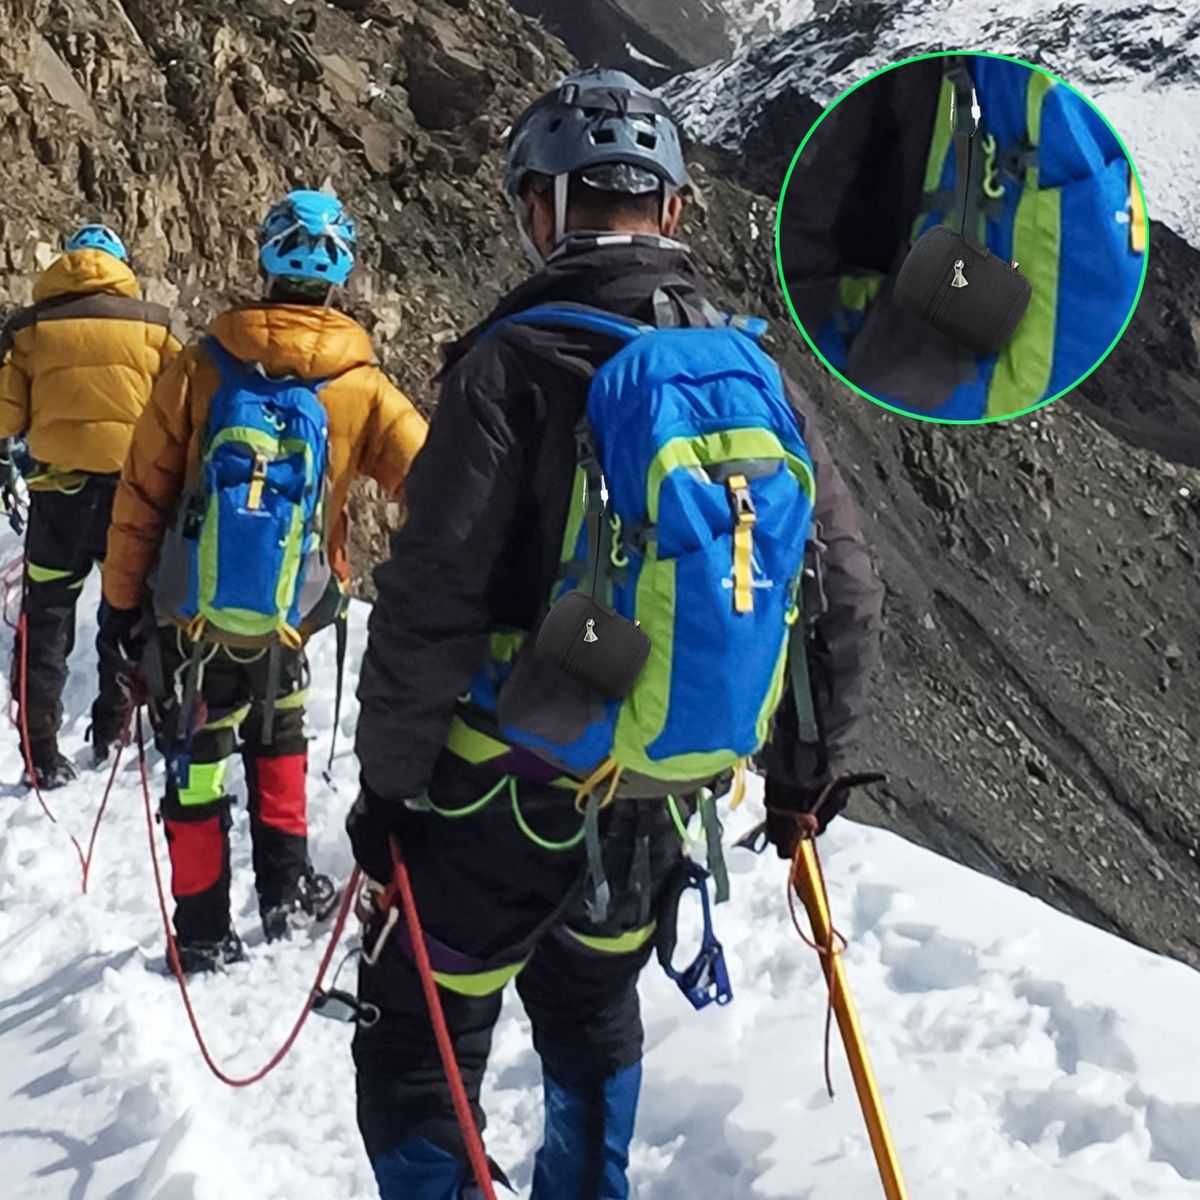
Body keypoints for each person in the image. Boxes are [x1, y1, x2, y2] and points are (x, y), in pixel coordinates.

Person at [347, 69, 884, 1200]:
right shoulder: (754, 374)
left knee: (418, 1038)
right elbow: (842, 588)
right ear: (674, 210)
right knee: (591, 1013)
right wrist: (804, 775)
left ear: (539, 208)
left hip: (494, 793)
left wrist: (388, 791)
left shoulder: (509, 364)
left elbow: (430, 599)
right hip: (653, 797)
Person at [100, 190, 427, 973]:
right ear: (341, 274)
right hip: (292, 614)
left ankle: (202, 930)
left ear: (265, 260)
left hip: (192, 622)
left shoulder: (200, 367)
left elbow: (142, 495)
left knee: (196, 762)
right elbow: (439, 485)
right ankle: (285, 891)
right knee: (280, 738)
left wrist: (119, 607)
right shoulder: (362, 386)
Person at [0, 224, 180, 787]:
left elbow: (5, 418)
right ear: (122, 268)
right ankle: (114, 729)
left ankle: (41, 754)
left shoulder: (30, 329)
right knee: (127, 610)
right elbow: (182, 413)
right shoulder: (154, 326)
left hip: (59, 498)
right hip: (132, 496)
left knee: (47, 616)